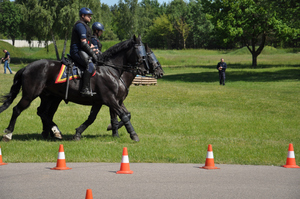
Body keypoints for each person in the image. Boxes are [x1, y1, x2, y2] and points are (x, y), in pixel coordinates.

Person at [70, 7, 98, 97]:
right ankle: (84, 89)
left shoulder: (85, 26)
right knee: (90, 65)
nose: (91, 17)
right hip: (77, 51)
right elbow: (83, 43)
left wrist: (96, 51)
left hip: (82, 50)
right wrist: (93, 54)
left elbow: (88, 43)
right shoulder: (80, 25)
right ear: (83, 15)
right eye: (89, 15)